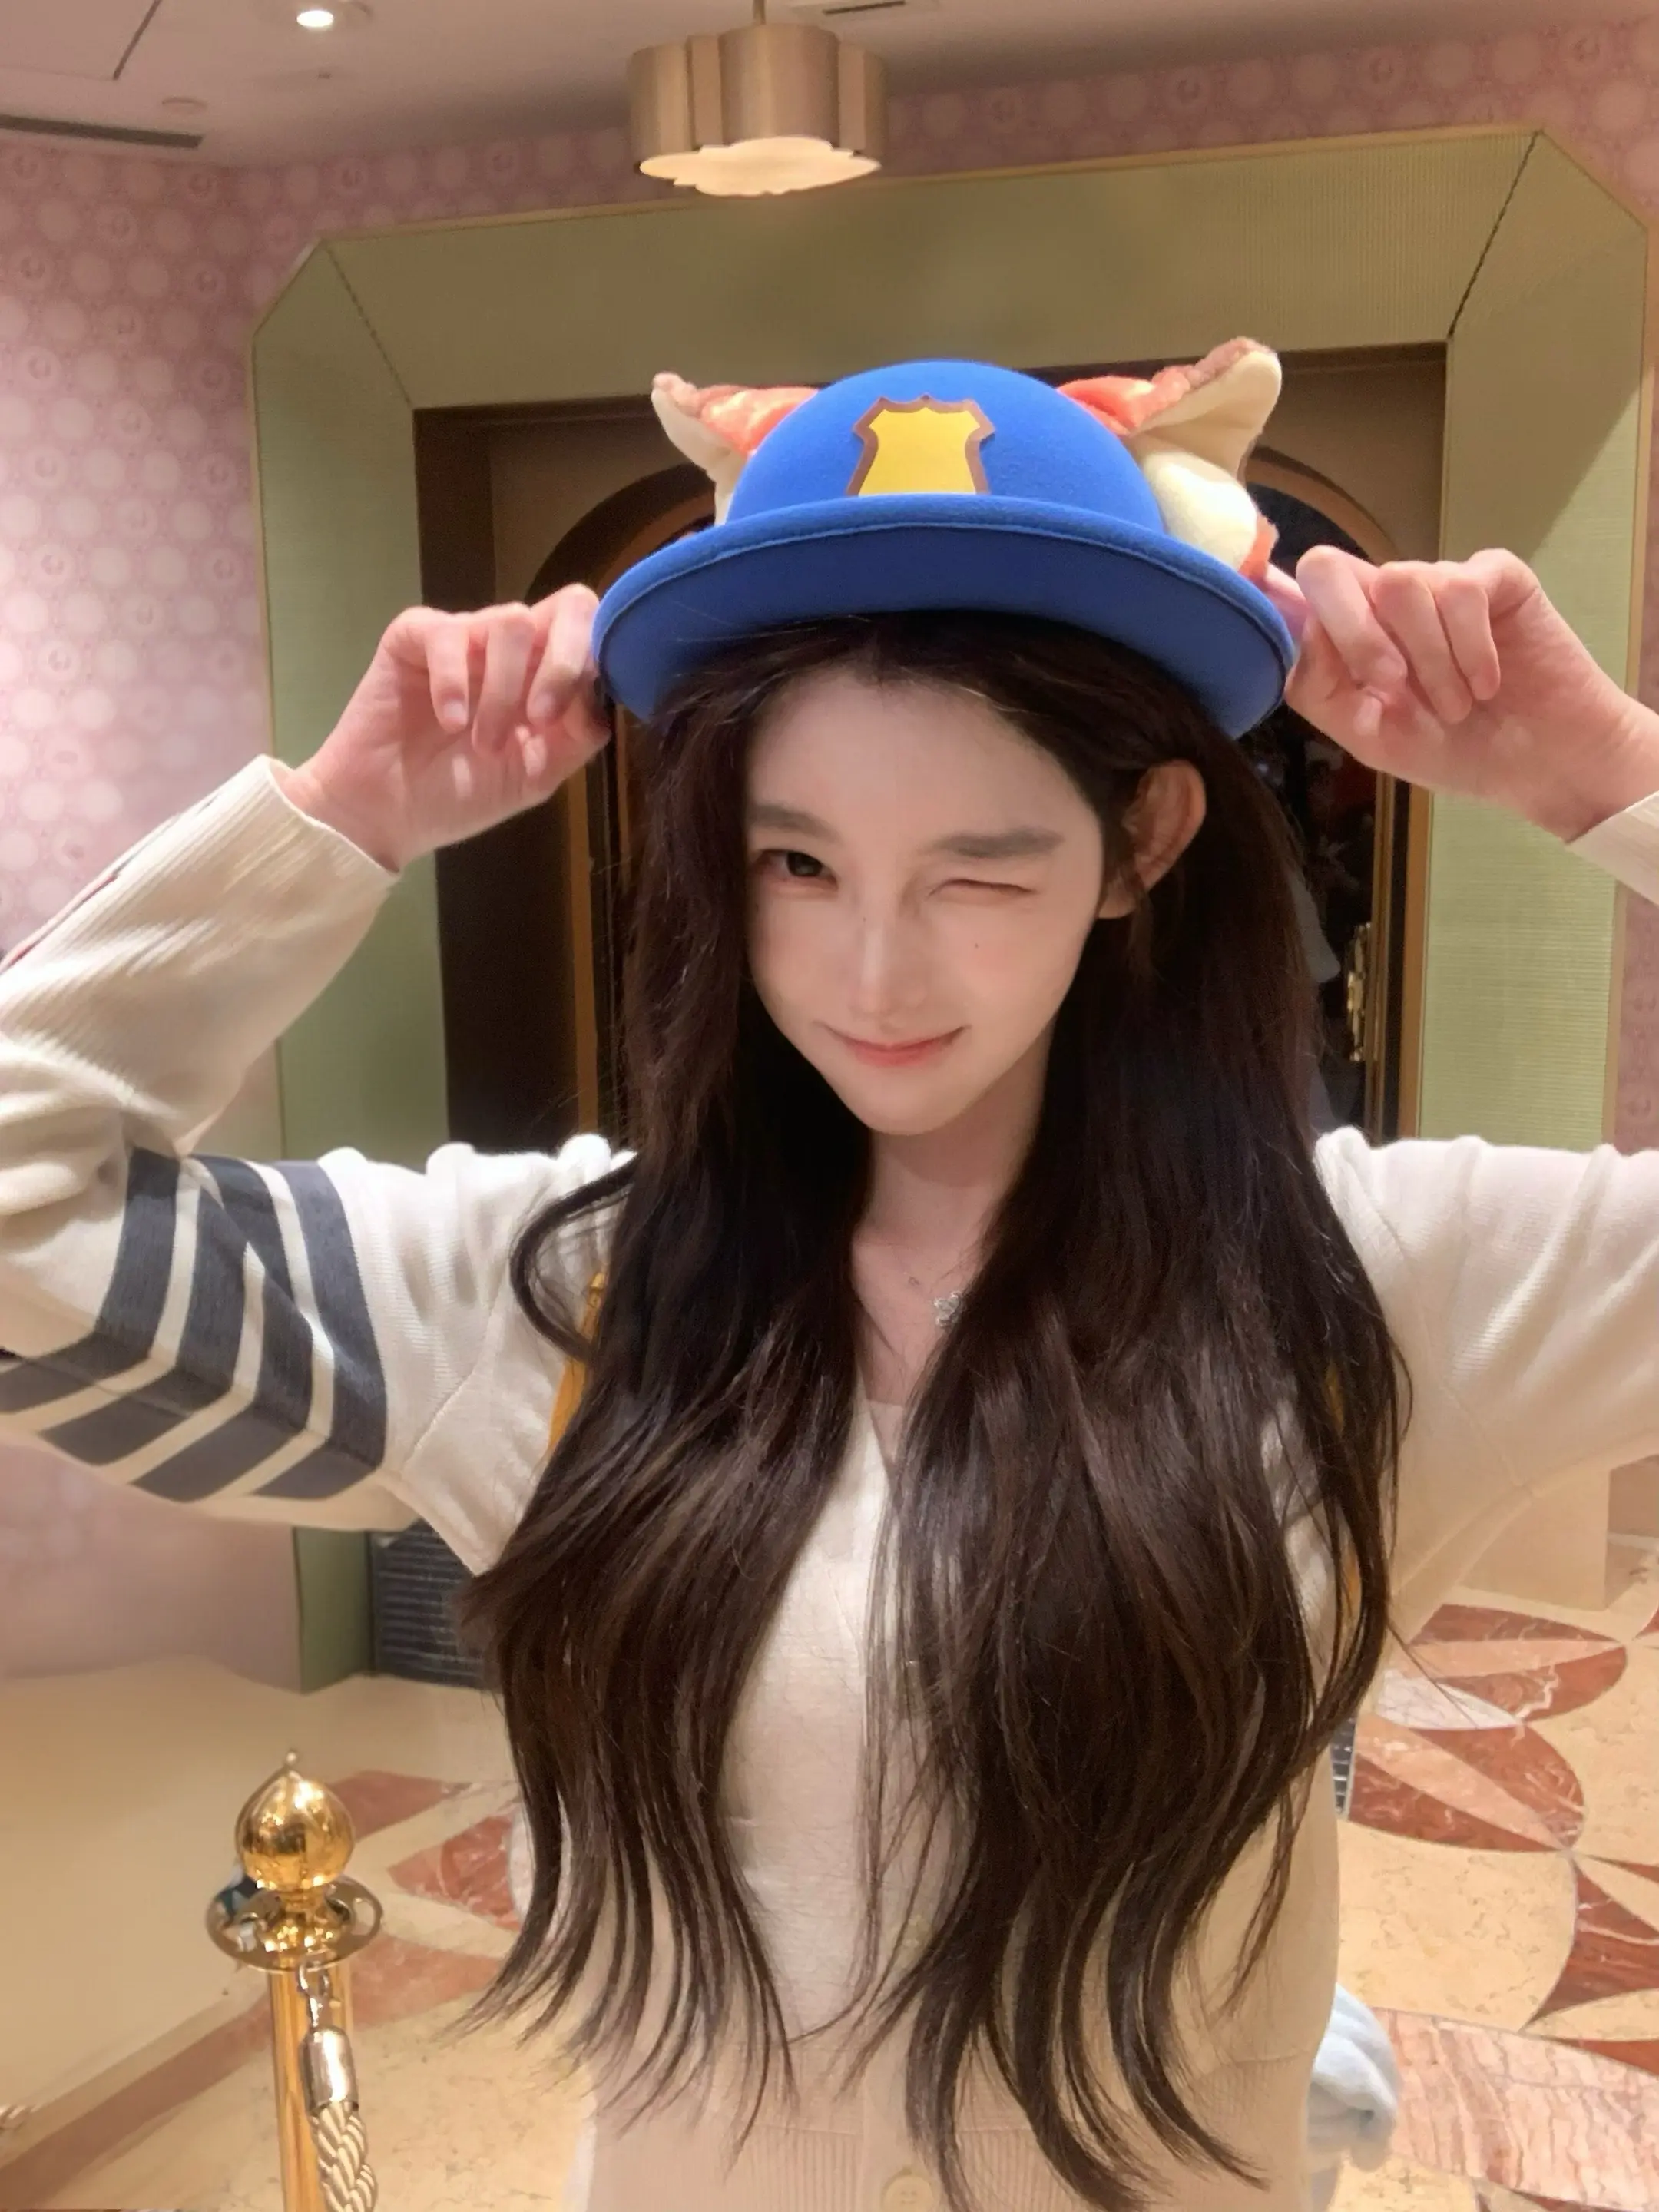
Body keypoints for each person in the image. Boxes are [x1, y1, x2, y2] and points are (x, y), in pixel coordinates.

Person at [2, 346, 1657, 2212]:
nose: (872, 976)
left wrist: (1605, 777)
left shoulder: (1365, 1290)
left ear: (1143, 844)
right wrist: (332, 822)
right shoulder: (553, 1295)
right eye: (797, 864)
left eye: (979, 873)